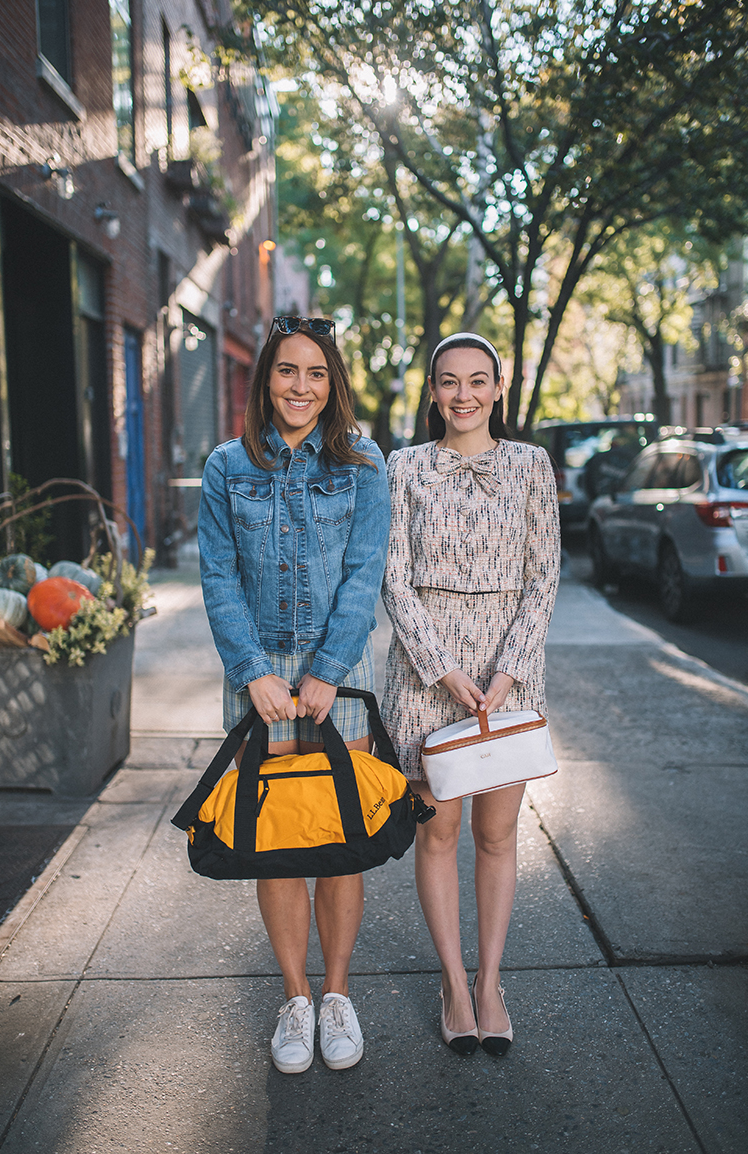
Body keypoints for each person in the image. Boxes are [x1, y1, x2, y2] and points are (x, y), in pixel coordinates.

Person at [198, 316, 390, 1075]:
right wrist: (253, 670)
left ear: (333, 382)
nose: (300, 387)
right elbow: (218, 578)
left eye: (315, 373)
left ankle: (338, 995)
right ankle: (295, 997)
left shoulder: (363, 463)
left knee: (340, 842)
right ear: (265, 380)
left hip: (335, 672)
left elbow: (364, 574)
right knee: (276, 842)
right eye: (287, 372)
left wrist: (330, 668)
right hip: (259, 677)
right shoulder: (226, 466)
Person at [381, 332, 560, 1057]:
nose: (464, 395)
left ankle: (491, 982)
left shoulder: (531, 465)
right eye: (449, 382)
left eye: (477, 381)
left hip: (509, 678)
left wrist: (506, 672)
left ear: (498, 389)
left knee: (495, 834)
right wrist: (443, 669)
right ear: (432, 392)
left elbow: (544, 575)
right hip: (429, 677)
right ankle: (454, 985)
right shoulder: (403, 467)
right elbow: (391, 576)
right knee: (440, 833)